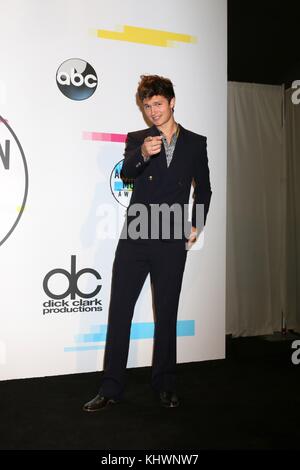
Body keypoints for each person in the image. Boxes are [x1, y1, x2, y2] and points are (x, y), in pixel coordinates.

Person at [83, 75, 212, 411]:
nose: (153, 111)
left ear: (171, 102)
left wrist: (197, 222)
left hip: (171, 237)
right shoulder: (138, 138)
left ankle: (165, 384)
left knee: (167, 313)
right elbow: (127, 172)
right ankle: (110, 387)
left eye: (158, 104)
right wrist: (141, 153)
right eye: (147, 106)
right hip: (136, 236)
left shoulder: (196, 143)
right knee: (120, 311)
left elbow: (205, 188)